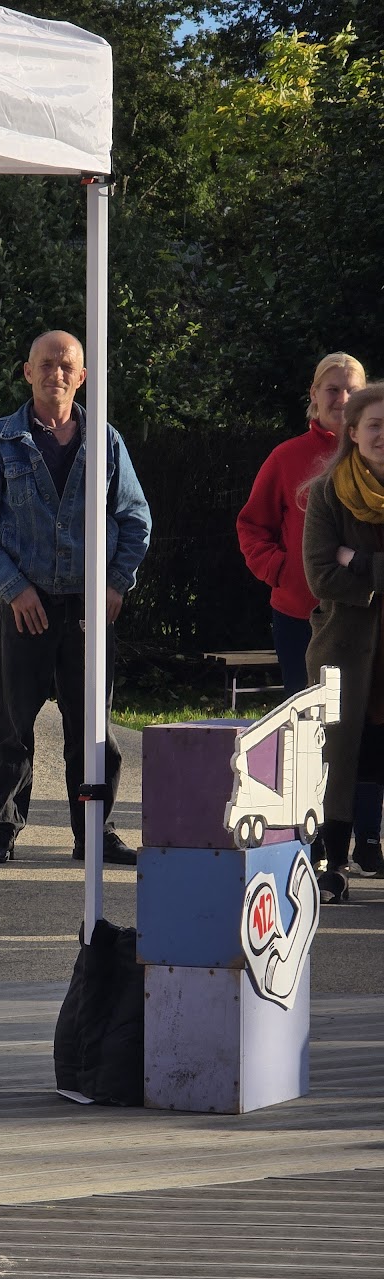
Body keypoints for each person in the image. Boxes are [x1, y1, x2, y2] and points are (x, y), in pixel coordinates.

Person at [0, 330, 151, 865]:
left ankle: (95, 830)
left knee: (92, 730)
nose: (55, 374)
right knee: (12, 723)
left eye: (66, 366)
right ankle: (1, 827)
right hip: (25, 605)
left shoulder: (106, 442)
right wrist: (13, 589)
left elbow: (135, 518)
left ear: (82, 377)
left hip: (89, 609)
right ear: (27, 372)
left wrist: (116, 583)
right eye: (45, 364)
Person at [236, 352, 383, 872]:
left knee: (369, 729)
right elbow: (252, 526)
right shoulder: (288, 458)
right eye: (332, 389)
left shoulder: (374, 448)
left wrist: (358, 563)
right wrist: (282, 571)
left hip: (368, 622)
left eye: (351, 389)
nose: (341, 399)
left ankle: (369, 839)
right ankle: (316, 844)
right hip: (303, 618)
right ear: (314, 396)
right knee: (320, 738)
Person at [302, 381, 384, 902]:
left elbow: (344, 568)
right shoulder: (329, 492)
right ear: (353, 432)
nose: (383, 435)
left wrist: (361, 562)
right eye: (375, 425)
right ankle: (333, 865)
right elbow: (320, 575)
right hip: (344, 650)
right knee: (336, 760)